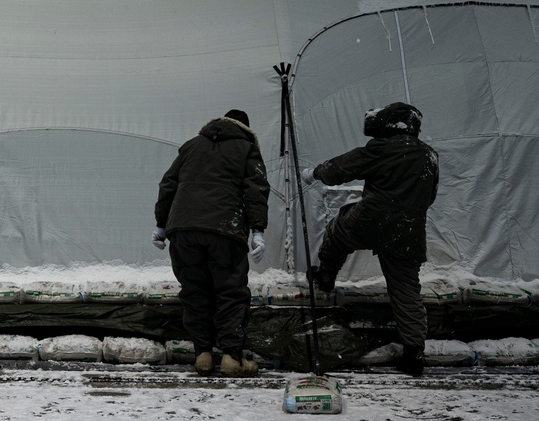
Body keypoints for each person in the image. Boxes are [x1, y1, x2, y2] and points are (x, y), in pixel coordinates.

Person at [301, 102, 439, 376]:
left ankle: (325, 277)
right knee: (406, 290)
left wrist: (314, 173)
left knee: (337, 231)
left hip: (371, 219)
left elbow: (339, 168)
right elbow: (430, 196)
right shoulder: (429, 155)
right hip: (409, 231)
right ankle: (413, 352)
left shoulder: (382, 148)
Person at [153, 109, 270, 377]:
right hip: (223, 229)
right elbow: (256, 190)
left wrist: (161, 225)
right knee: (230, 292)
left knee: (195, 291)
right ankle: (231, 358)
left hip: (182, 229)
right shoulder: (246, 148)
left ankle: (203, 355)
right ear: (245, 128)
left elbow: (168, 185)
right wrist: (258, 231)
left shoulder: (191, 146)